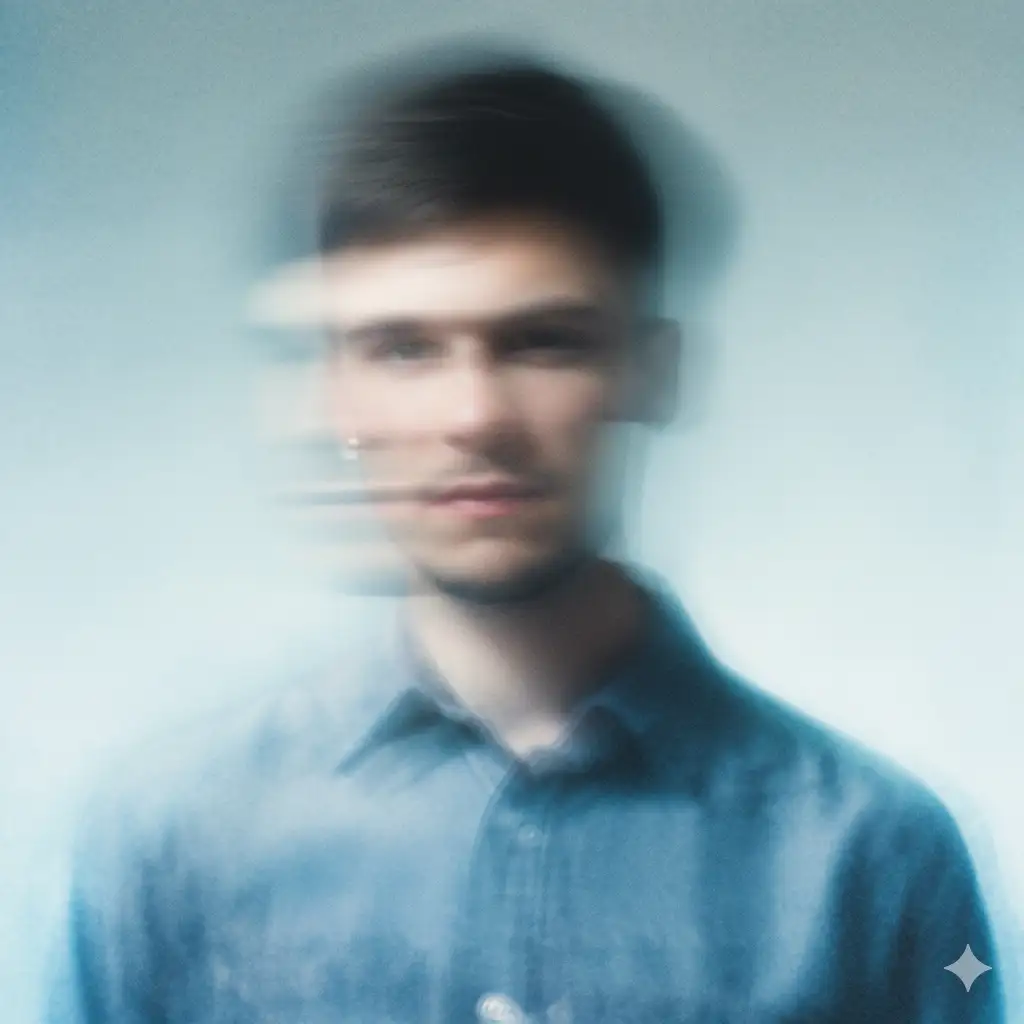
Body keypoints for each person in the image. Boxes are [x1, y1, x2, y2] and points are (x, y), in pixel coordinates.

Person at [45, 45, 1004, 1024]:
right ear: (335, 388)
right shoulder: (166, 844)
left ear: (650, 370)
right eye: (405, 348)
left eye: (543, 341)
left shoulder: (874, 857)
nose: (476, 414)